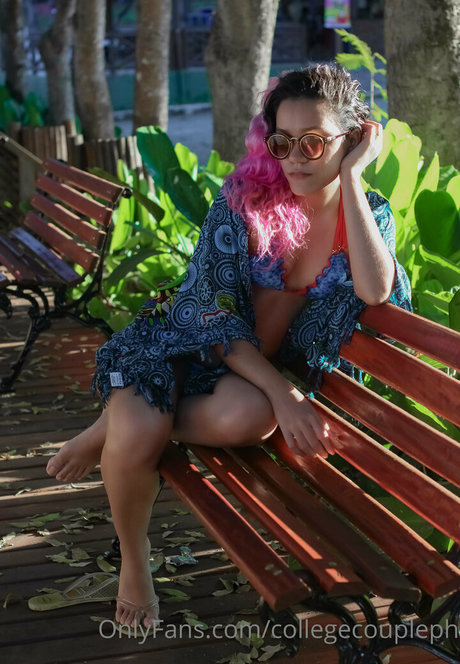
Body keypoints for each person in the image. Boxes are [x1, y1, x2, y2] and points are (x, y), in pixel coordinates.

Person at [45, 64, 411, 631]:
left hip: (243, 381)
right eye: (282, 142)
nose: (295, 158)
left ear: (354, 138)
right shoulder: (245, 201)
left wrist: (354, 177)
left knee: (252, 418)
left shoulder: (366, 213)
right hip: (183, 347)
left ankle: (112, 422)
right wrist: (286, 393)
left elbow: (375, 289)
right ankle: (135, 564)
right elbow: (213, 319)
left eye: (314, 142)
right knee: (143, 431)